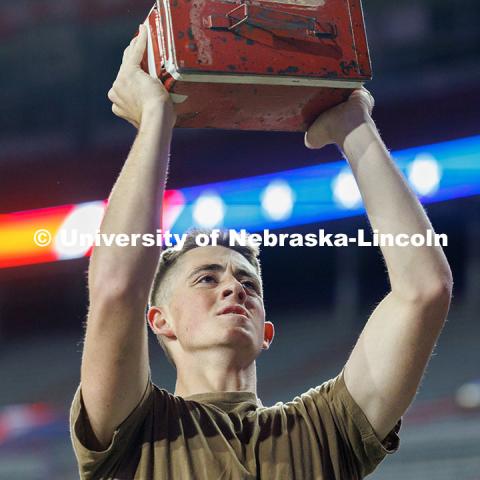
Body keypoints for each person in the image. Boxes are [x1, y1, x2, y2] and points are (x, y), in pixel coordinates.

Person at [69, 24, 453, 479]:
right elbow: (116, 288)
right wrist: (156, 116)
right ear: (160, 321)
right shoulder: (139, 429)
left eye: (247, 281)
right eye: (207, 278)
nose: (234, 286)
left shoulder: (325, 430)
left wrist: (355, 130)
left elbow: (425, 289)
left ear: (266, 331)